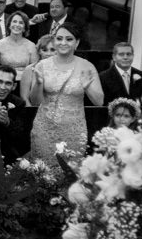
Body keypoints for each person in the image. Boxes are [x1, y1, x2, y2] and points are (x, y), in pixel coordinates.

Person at [27, 23, 104, 161]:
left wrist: (87, 87)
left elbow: (99, 101)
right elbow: (35, 101)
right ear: (54, 41)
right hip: (44, 129)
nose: (63, 43)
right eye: (59, 38)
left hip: (74, 131)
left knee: (70, 174)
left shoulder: (87, 66)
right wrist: (38, 84)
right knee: (43, 175)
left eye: (69, 39)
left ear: (77, 43)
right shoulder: (42, 66)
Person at [0, 11, 39, 81]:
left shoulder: (31, 45)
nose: (17, 25)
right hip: (4, 82)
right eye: (14, 21)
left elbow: (34, 70)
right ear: (9, 25)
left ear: (25, 27)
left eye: (21, 23)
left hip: (24, 82)